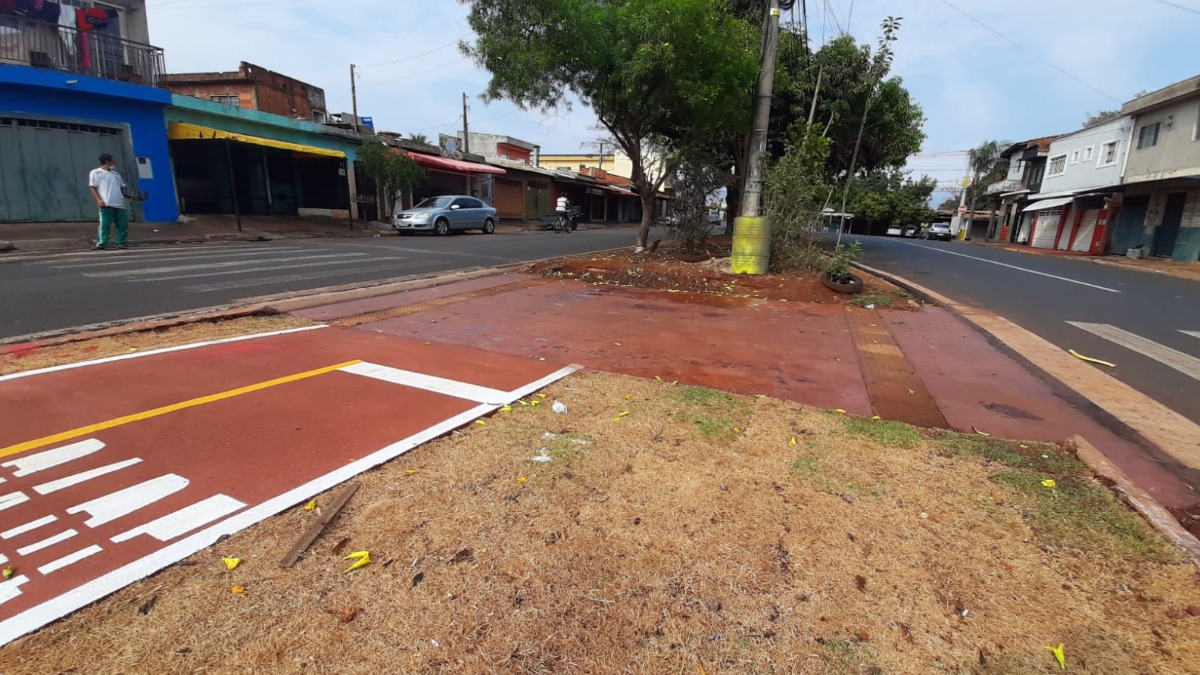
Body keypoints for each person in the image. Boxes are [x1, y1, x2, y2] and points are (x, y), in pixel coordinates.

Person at [88, 153, 128, 250]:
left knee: (122, 225)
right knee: (105, 225)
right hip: (106, 203)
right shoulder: (96, 172)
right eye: (113, 161)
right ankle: (102, 243)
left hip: (120, 204)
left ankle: (121, 243)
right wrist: (99, 200)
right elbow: (92, 187)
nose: (115, 163)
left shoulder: (116, 174)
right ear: (107, 162)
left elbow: (123, 188)